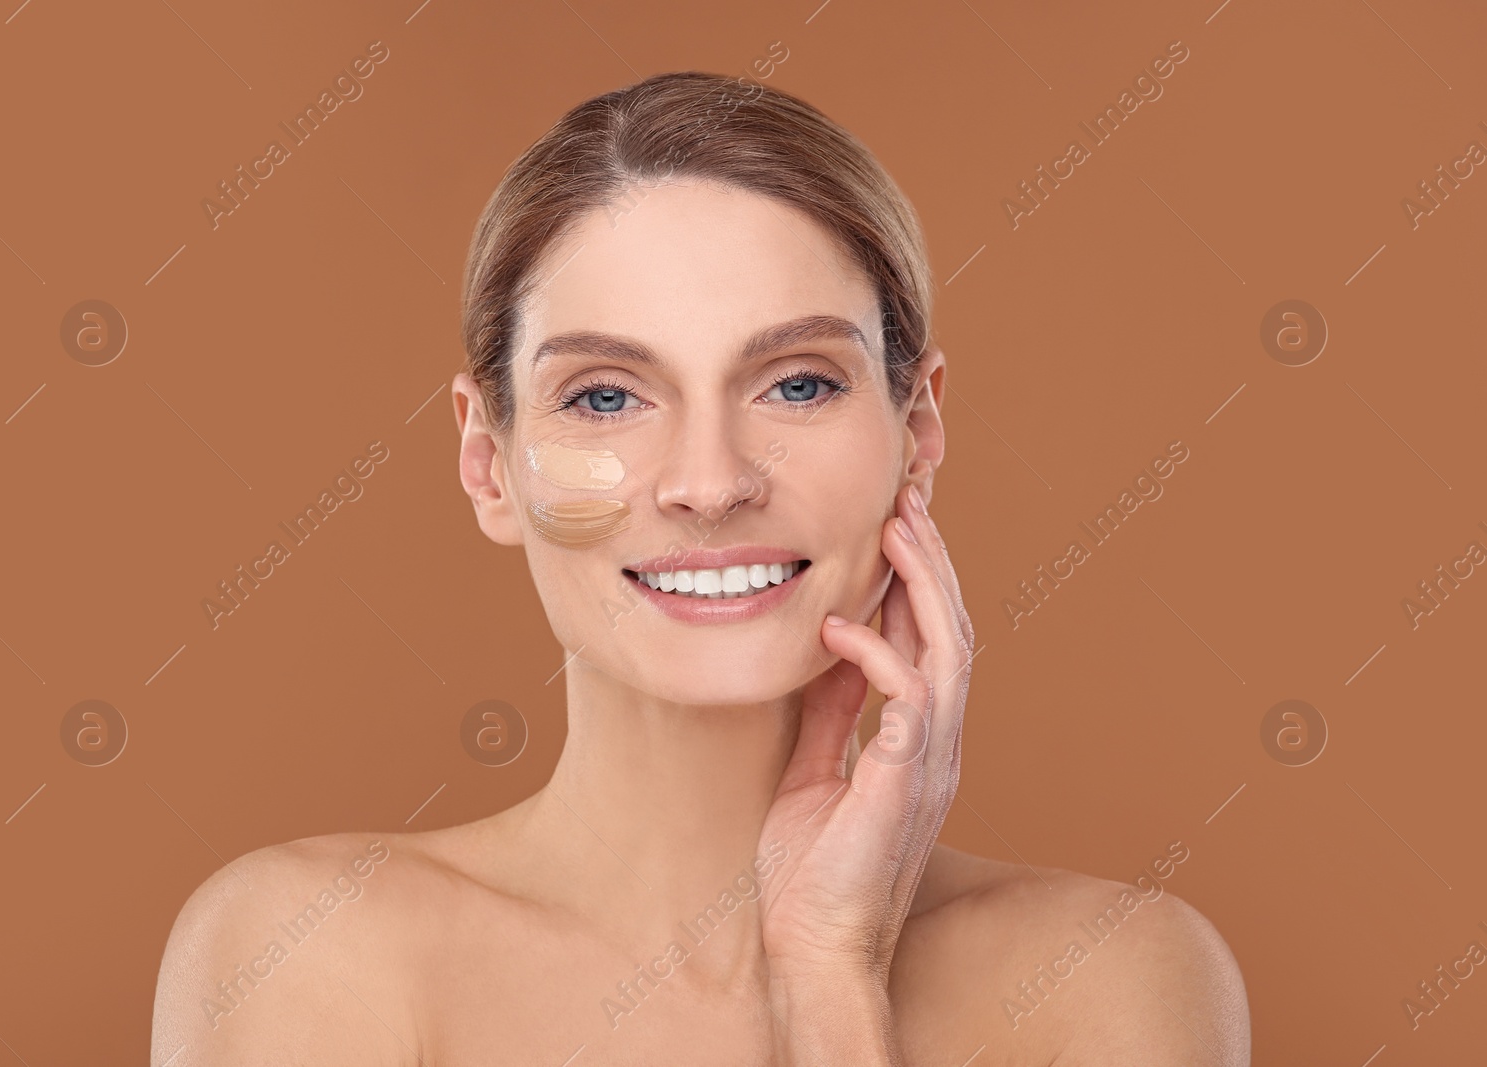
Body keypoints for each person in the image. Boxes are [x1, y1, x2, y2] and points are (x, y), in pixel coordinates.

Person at [151, 70, 1250, 1065]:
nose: (711, 481)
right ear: (489, 466)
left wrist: (829, 974)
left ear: (919, 432)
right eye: (606, 396)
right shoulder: (303, 951)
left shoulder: (1118, 976)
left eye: (799, 383)